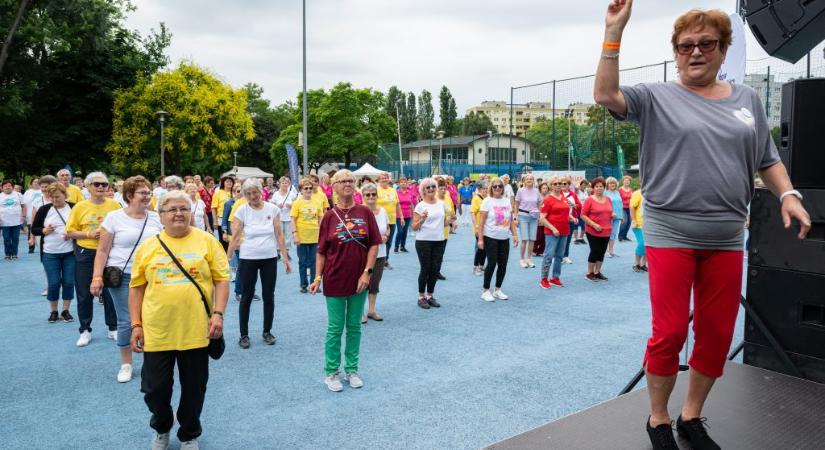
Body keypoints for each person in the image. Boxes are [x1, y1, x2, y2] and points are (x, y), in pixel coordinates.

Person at [594, 4, 810, 448]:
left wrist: (788, 195)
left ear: (722, 49)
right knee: (670, 332)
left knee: (714, 335)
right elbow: (605, 95)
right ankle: (657, 419)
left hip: (728, 236)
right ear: (676, 53)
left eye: (706, 44)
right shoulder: (655, 97)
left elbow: (767, 160)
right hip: (670, 231)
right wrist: (613, 34)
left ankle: (691, 416)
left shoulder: (747, 101)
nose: (696, 52)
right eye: (686, 45)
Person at [128, 190, 229, 450]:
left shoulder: (207, 241)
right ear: (160, 216)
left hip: (197, 330)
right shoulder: (148, 247)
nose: (178, 213)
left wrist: (218, 313)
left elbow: (221, 279)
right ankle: (162, 426)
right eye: (172, 209)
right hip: (157, 330)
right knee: (155, 389)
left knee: (194, 388)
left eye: (184, 208)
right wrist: (136, 325)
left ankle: (189, 433)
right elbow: (137, 287)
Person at [309, 170, 380, 392]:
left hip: (359, 280)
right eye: (343, 181)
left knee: (354, 327)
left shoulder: (365, 213)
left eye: (351, 180)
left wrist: (367, 272)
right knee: (335, 328)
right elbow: (321, 251)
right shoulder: (329, 217)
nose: (348, 184)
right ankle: (331, 373)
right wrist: (317, 277)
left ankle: (351, 369)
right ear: (334, 187)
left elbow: (374, 244)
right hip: (334, 279)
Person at [92, 176, 162, 383]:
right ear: (130, 195)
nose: (147, 196)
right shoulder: (114, 218)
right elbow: (103, 250)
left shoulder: (156, 218)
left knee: (152, 318)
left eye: (149, 192)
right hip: (123, 276)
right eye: (143, 193)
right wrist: (97, 276)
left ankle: (152, 361)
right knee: (127, 320)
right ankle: (126, 363)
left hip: (152, 275)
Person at [226, 179, 291, 349]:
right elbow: (235, 236)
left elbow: (279, 234)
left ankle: (267, 331)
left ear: (260, 191)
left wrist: (285, 257)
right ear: (245, 195)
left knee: (269, 296)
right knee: (246, 296)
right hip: (248, 258)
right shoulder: (242, 210)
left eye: (255, 192)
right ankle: (244, 334)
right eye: (248, 193)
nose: (252, 196)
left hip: (269, 257)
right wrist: (227, 258)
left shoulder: (272, 209)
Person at [64, 172, 121, 346]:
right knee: (84, 292)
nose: (101, 188)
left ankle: (113, 328)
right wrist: (89, 233)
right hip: (86, 252)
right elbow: (69, 232)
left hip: (110, 253)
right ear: (88, 187)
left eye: (104, 184)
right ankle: (85, 330)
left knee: (111, 291)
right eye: (97, 184)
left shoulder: (114, 204)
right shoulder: (80, 207)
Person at [30, 182, 75, 323]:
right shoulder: (44, 209)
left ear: (64, 195)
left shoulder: (73, 207)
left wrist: (72, 234)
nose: (54, 200)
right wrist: (44, 230)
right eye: (51, 197)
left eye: (57, 196)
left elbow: (80, 226)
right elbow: (34, 228)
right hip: (50, 252)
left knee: (68, 282)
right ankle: (54, 311)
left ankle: (66, 310)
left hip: (70, 252)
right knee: (54, 283)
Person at [477, 177, 519, 302]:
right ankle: (485, 291)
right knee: (491, 263)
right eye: (494, 186)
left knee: (503, 264)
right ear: (491, 188)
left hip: (504, 237)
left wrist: (515, 235)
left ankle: (497, 289)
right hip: (490, 236)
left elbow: (510, 220)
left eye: (500, 186)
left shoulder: (506, 201)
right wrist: (480, 239)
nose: (497, 188)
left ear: (503, 188)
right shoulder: (487, 201)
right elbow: (481, 222)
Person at [412, 177, 447, 309]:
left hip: (439, 240)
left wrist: (450, 221)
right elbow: (414, 227)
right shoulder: (420, 205)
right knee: (425, 268)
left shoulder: (441, 204)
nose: (431, 189)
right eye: (428, 187)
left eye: (433, 186)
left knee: (434, 269)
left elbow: (443, 223)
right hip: (423, 241)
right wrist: (422, 219)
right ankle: (421, 297)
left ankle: (430, 295)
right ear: (423, 190)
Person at [360, 182, 390, 323]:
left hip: (381, 253)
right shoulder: (359, 211)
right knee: (362, 283)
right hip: (364, 254)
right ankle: (359, 312)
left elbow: (387, 228)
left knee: (375, 283)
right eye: (368, 194)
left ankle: (371, 310)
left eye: (373, 194)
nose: (371, 197)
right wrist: (378, 238)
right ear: (363, 196)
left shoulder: (383, 211)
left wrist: (386, 236)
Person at [539, 177, 575, 289]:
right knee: (549, 255)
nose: (558, 185)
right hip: (552, 232)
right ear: (551, 186)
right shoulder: (548, 199)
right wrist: (553, 228)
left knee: (559, 256)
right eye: (555, 184)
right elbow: (542, 218)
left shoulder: (564, 198)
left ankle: (555, 277)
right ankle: (544, 279)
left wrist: (571, 217)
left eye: (560, 183)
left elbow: (565, 212)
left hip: (564, 230)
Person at [291, 178, 323, 293]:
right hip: (302, 237)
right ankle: (303, 284)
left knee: (315, 261)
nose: (309, 190)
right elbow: (293, 220)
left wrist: (323, 234)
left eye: (310, 188)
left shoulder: (317, 202)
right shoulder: (297, 203)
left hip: (315, 235)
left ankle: (314, 284)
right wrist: (295, 234)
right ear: (301, 190)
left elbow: (320, 219)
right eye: (306, 188)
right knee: (303, 262)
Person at [580, 177, 613, 282]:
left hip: (606, 230)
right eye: (597, 186)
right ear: (593, 188)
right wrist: (593, 224)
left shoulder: (608, 199)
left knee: (602, 252)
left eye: (601, 186)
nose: (599, 188)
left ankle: (597, 272)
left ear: (604, 188)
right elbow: (583, 215)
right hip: (593, 230)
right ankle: (589, 273)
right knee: (595, 251)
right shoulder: (589, 200)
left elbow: (608, 211)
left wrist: (612, 214)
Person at [376, 173, 403, 269]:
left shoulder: (393, 190)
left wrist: (401, 217)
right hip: (379, 220)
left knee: (389, 241)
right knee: (379, 241)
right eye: (382, 178)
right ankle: (377, 261)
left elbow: (397, 205)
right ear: (378, 180)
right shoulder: (376, 191)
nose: (384, 179)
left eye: (386, 178)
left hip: (392, 220)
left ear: (389, 179)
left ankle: (385, 260)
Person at [515, 174, 541, 268]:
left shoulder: (537, 191)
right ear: (524, 181)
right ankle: (522, 259)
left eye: (531, 179)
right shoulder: (520, 190)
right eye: (527, 179)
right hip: (523, 216)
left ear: (533, 180)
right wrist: (515, 217)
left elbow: (539, 203)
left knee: (532, 239)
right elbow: (516, 204)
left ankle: (529, 259)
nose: (529, 180)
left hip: (534, 217)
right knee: (525, 239)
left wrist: (539, 214)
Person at [270, 176, 298, 260]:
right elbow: (271, 205)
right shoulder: (276, 194)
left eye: (286, 183)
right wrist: (277, 205)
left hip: (289, 218)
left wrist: (291, 205)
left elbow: (296, 205)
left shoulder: (292, 194)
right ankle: (278, 252)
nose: (284, 184)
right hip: (278, 218)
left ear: (288, 184)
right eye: (283, 183)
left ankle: (286, 252)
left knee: (288, 236)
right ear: (279, 184)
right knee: (278, 234)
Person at [1, 180, 26, 260]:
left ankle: (14, 253)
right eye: (5, 186)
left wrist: (23, 216)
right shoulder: (0, 196)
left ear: (12, 187)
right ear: (2, 188)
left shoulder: (18, 195)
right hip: (4, 221)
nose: (7, 187)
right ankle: (8, 254)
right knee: (6, 238)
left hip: (17, 221)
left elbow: (23, 206)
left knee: (15, 238)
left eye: (9, 186)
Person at [561, 176, 582, 264]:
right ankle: (558, 256)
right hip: (559, 220)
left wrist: (573, 205)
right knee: (559, 239)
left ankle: (565, 256)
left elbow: (579, 206)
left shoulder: (573, 195)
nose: (562, 185)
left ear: (569, 185)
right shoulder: (557, 194)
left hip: (570, 220)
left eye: (565, 183)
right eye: (561, 183)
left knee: (568, 239)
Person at [470, 180, 489, 275]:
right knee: (480, 247)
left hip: (488, 227)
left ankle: (481, 265)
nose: (485, 190)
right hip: (479, 227)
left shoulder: (489, 198)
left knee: (485, 248)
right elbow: (472, 213)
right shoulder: (476, 198)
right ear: (479, 189)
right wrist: (476, 225)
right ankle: (475, 267)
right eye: (483, 189)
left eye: (487, 188)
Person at [211, 176, 235, 251]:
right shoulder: (218, 193)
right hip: (221, 219)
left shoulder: (235, 192)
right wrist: (215, 221)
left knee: (233, 238)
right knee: (224, 239)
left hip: (233, 219)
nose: (229, 183)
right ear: (223, 183)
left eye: (231, 182)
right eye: (227, 181)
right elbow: (213, 208)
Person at [394, 176, 416, 253]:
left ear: (407, 184)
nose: (403, 184)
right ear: (399, 184)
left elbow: (411, 204)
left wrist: (414, 213)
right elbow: (395, 204)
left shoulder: (409, 193)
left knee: (405, 231)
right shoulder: (396, 193)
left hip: (408, 214)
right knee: (400, 231)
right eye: (401, 182)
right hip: (399, 215)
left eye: (405, 182)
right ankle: (396, 246)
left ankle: (402, 246)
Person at [604, 177, 624, 257]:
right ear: (607, 184)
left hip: (617, 216)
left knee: (614, 233)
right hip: (608, 216)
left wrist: (622, 215)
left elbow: (620, 204)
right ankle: (605, 251)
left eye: (614, 183)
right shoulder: (605, 192)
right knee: (607, 233)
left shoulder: (617, 192)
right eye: (611, 183)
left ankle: (611, 250)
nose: (612, 185)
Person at [629, 187, 647, 272]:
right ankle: (636, 263)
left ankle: (643, 264)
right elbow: (632, 207)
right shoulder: (638, 193)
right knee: (642, 243)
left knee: (649, 245)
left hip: (651, 224)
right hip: (639, 224)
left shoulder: (653, 192)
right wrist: (634, 220)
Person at [23, 177, 42, 254]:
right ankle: (31, 246)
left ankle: (42, 246)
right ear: (31, 183)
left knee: (41, 230)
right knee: (31, 230)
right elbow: (25, 204)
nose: (36, 183)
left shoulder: (43, 191)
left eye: (38, 182)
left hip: (41, 213)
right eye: (34, 182)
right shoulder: (28, 192)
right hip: (31, 214)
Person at [533, 181, 550, 257]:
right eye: (543, 188)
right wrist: (539, 217)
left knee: (545, 236)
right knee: (538, 235)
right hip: (539, 218)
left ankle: (541, 251)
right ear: (540, 189)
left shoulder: (549, 197)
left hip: (548, 219)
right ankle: (534, 249)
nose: (545, 190)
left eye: (546, 188)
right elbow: (536, 208)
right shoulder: (537, 197)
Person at [618, 175, 634, 241]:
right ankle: (620, 236)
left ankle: (625, 236)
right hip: (622, 208)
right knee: (624, 221)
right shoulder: (620, 190)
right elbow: (618, 200)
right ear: (623, 181)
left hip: (630, 208)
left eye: (628, 181)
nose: (627, 182)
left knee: (629, 222)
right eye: (625, 180)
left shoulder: (631, 190)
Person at [574, 180, 590, 244]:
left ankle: (581, 238)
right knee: (576, 224)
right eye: (583, 185)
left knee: (584, 225)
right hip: (577, 209)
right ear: (580, 185)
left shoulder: (586, 192)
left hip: (585, 210)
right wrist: (577, 186)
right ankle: (576, 239)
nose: (584, 186)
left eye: (585, 185)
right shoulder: (577, 191)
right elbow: (575, 188)